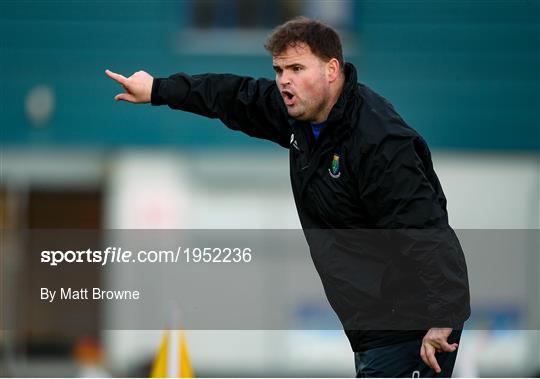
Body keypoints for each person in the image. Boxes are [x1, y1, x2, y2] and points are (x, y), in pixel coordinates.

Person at [106, 17, 470, 378]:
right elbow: (232, 95)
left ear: (331, 69)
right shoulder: (301, 114)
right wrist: (157, 89)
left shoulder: (379, 140)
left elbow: (424, 227)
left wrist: (443, 316)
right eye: (279, 70)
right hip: (373, 327)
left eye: (297, 68)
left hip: (416, 326)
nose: (284, 80)